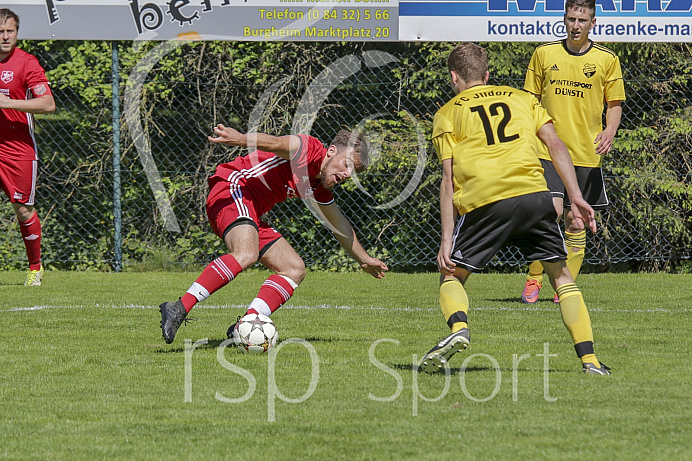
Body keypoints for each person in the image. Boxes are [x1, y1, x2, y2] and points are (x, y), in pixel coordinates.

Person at [421, 42, 611, 375]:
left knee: (452, 274)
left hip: (486, 200)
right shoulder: (523, 99)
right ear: (487, 74)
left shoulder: (447, 113)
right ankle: (590, 361)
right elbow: (554, 144)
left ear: (453, 77)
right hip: (534, 196)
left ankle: (458, 330)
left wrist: (446, 239)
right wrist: (575, 195)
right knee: (562, 277)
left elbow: (449, 178)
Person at [159, 125, 388, 344]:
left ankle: (246, 324)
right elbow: (277, 143)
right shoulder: (308, 149)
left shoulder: (319, 186)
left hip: (252, 210)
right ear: (331, 151)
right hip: (233, 187)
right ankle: (179, 307)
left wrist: (364, 259)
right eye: (347, 164)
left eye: (353, 172)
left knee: (294, 269)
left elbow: (340, 224)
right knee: (246, 253)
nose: (348, 174)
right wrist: (241, 139)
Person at [520, 0, 626, 304]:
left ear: (593, 23)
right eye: (571, 19)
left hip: (586, 153)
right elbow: (530, 101)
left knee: (576, 221)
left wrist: (609, 131)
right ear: (564, 20)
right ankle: (534, 278)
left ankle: (563, 287)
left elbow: (614, 105)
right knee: (549, 213)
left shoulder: (607, 59)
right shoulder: (544, 54)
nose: (576, 25)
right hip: (547, 150)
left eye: (582, 20)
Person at [0, 8, 55, 286]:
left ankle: (35, 267)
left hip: (17, 149)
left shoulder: (26, 63)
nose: (5, 36)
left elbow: (48, 104)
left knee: (23, 210)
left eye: (10, 31)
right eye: (0, 31)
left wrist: (9, 103)